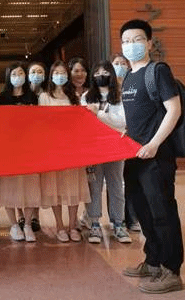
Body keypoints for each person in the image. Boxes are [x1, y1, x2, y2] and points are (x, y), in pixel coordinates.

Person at [119, 19, 183, 294]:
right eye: (126, 41)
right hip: (133, 154)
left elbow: (174, 110)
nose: (130, 45)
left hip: (156, 156)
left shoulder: (158, 71)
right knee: (141, 210)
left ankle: (171, 270)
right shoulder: (128, 77)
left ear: (148, 43)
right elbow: (136, 116)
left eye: (136, 40)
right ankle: (153, 261)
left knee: (162, 212)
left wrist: (155, 143)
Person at [81, 60, 132, 245]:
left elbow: (122, 121)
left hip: (115, 148)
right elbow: (85, 124)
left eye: (104, 72)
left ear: (111, 74)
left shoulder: (120, 95)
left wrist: (99, 114)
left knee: (116, 186)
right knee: (94, 187)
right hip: (93, 149)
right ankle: (94, 223)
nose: (100, 75)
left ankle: (118, 224)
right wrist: (105, 119)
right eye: (97, 72)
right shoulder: (86, 97)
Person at [38, 61, 89, 243]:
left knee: (73, 188)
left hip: (72, 149)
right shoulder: (44, 97)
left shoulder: (74, 96)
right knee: (56, 189)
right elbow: (41, 123)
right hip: (52, 150)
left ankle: (72, 226)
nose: (60, 76)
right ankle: (60, 226)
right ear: (51, 76)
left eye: (63, 73)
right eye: (56, 73)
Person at [0, 62, 40, 242]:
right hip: (8, 149)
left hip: (30, 149)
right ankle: (14, 224)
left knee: (30, 186)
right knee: (9, 187)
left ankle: (27, 224)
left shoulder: (32, 97)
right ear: (8, 77)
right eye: (14, 74)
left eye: (20, 73)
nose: (17, 77)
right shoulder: (1, 98)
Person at [111, 53, 141, 233]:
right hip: (115, 139)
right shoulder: (109, 87)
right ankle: (117, 219)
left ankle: (132, 218)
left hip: (133, 137)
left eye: (123, 63)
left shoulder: (133, 83)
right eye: (116, 63)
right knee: (115, 182)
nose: (120, 66)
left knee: (131, 180)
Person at [18, 61, 47, 233]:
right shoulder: (22, 92)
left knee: (36, 182)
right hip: (21, 143)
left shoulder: (46, 94)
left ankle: (35, 216)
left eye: (40, 71)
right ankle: (21, 215)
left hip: (40, 143)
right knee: (20, 180)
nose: (36, 75)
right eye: (33, 71)